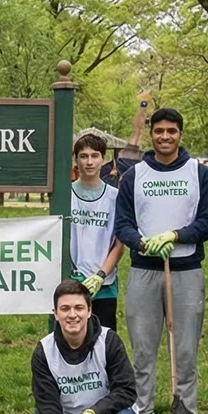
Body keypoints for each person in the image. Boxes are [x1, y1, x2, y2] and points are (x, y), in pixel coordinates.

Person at [113, 106, 208, 414]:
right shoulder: (134, 176)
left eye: (172, 131)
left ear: (180, 135)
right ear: (152, 134)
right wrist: (142, 244)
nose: (165, 137)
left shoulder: (199, 174)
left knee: (184, 352)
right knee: (143, 350)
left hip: (185, 271)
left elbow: (207, 223)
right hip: (145, 270)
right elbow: (123, 225)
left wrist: (176, 235)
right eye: (159, 131)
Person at [19, 280, 140, 414]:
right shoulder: (44, 351)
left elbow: (126, 390)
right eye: (65, 309)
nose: (72, 315)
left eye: (78, 308)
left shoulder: (108, 340)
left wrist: (95, 411)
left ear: (89, 310)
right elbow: (48, 407)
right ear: (55, 313)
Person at [68, 133, 123, 329]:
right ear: (76, 159)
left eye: (94, 156)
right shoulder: (65, 195)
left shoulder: (115, 197)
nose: (89, 162)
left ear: (104, 159)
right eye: (83, 156)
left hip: (104, 285)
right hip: (71, 282)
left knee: (104, 344)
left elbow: (119, 244)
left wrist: (100, 275)